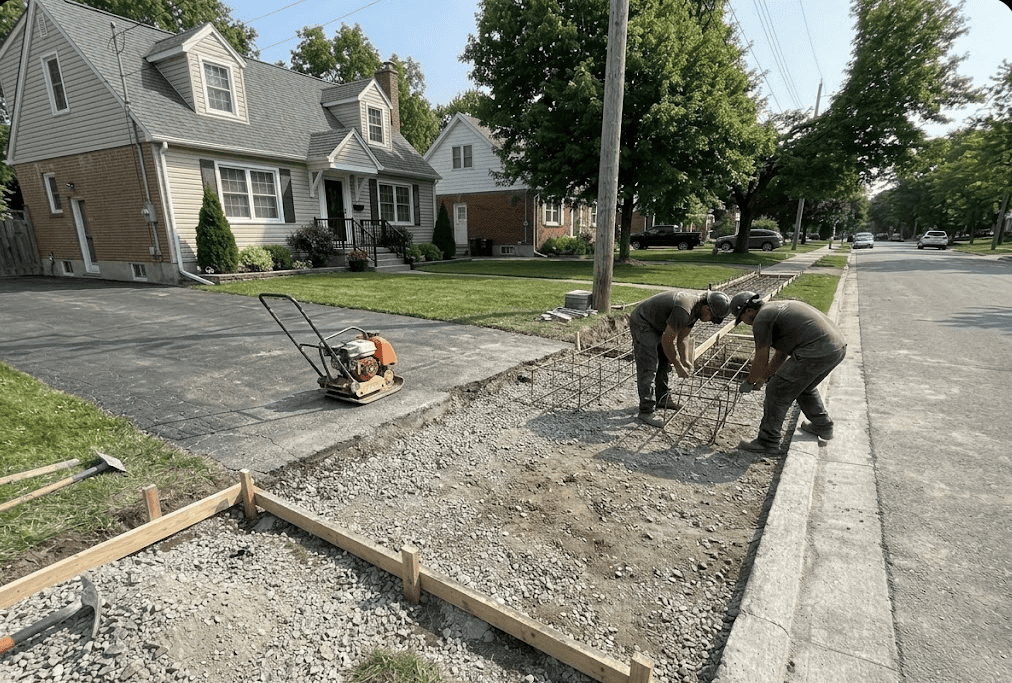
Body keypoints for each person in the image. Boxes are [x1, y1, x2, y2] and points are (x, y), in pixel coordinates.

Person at [729, 291, 847, 452]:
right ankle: (823, 426)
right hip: (836, 347)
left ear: (748, 311)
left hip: (816, 350)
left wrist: (749, 381)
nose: (743, 322)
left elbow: (761, 357)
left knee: (777, 391)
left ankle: (767, 441)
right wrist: (764, 377)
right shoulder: (774, 309)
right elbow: (781, 354)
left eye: (740, 318)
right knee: (803, 387)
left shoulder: (761, 319)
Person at [629, 290, 731, 427]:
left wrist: (685, 360)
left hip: (659, 324)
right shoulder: (683, 310)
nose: (711, 321)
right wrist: (677, 365)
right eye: (712, 318)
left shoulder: (696, 311)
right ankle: (646, 411)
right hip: (644, 322)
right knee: (649, 366)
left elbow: (683, 338)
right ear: (707, 308)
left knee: (664, 362)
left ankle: (662, 399)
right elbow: (668, 341)